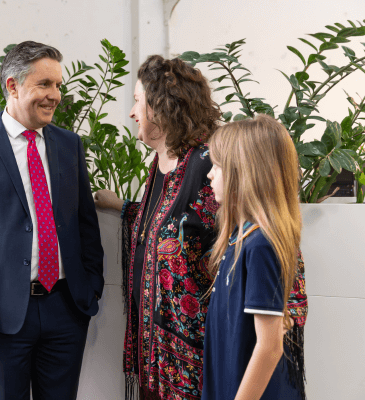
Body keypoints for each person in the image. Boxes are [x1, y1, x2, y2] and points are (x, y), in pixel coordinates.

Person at [93, 56, 307, 400]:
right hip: (159, 356)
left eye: (138, 101)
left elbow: (267, 231)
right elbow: (171, 228)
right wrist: (122, 208)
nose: (133, 112)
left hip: (205, 359)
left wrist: (284, 314)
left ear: (161, 108)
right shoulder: (161, 166)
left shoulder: (209, 162)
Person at [0, 41, 104, 400]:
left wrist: (89, 289)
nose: (55, 95)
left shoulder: (69, 145)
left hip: (66, 309)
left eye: (58, 85)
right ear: (13, 86)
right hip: (2, 316)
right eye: (44, 84)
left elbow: (84, 226)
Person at [201, 115, 305, 400]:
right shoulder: (240, 238)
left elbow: (270, 347)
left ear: (244, 173)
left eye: (218, 166)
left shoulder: (260, 245)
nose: (210, 174)